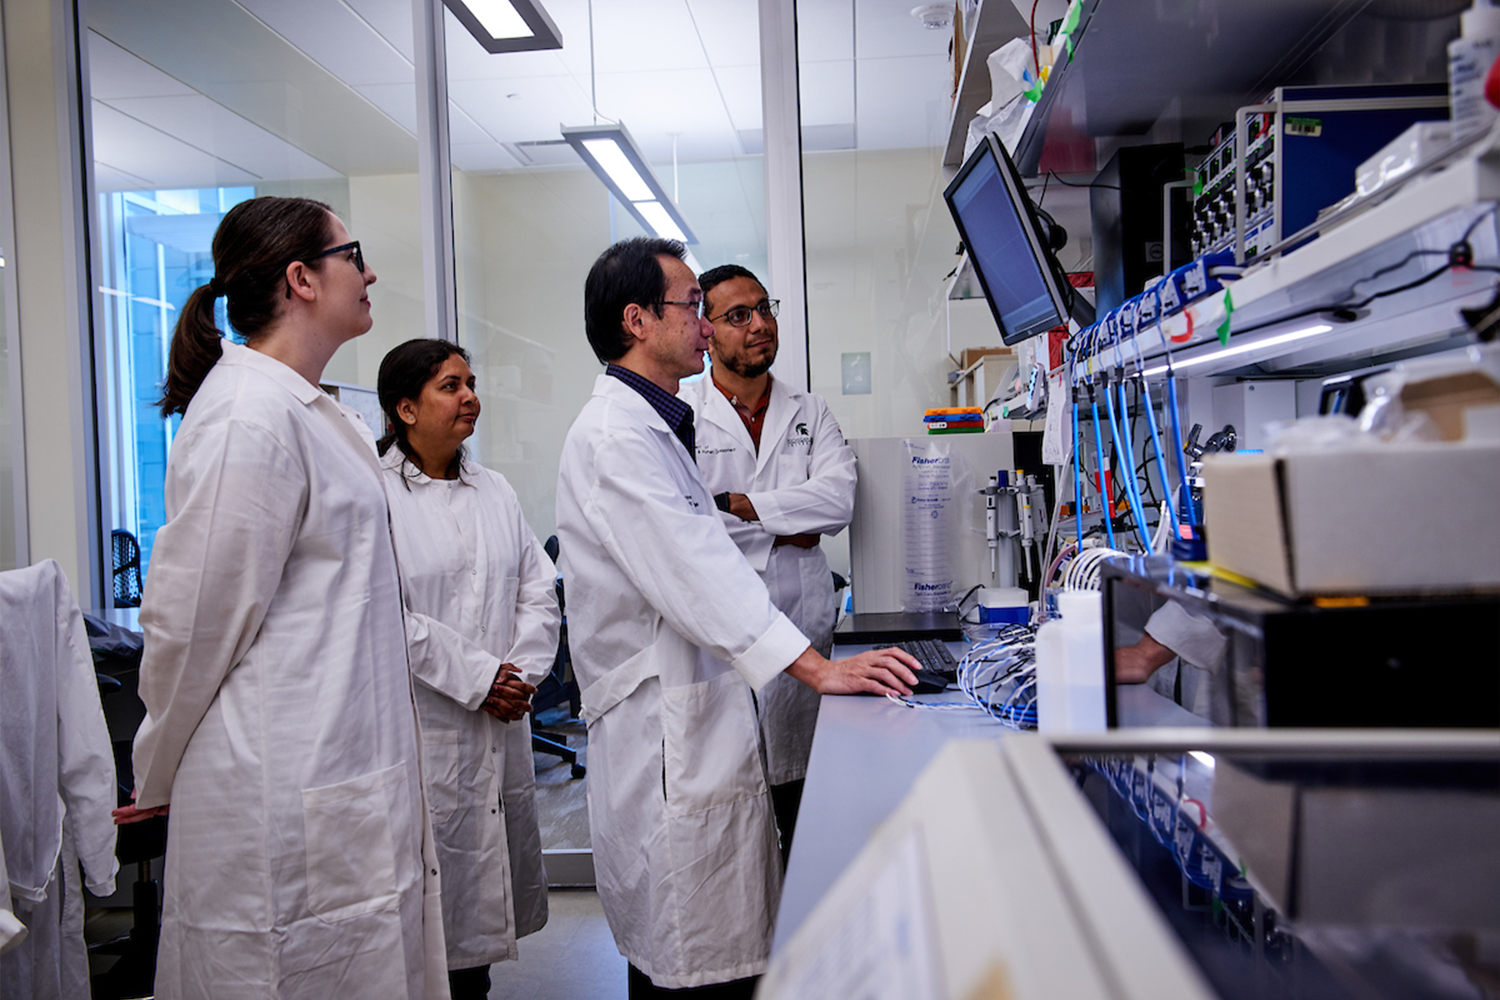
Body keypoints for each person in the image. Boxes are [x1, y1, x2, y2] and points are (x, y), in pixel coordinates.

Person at [555, 236, 921, 999]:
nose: (706, 323)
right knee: (687, 954)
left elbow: (789, 517)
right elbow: (698, 566)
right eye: (693, 306)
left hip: (708, 697)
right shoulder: (620, 437)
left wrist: (753, 520)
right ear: (637, 320)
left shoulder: (657, 427)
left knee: (707, 944)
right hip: (666, 719)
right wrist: (818, 667)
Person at [114, 196, 448, 999]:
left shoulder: (306, 408)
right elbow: (193, 626)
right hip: (275, 789)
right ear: (301, 278)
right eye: (352, 254)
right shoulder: (247, 419)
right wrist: (153, 773)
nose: (369, 273)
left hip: (337, 775)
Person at [375, 338, 561, 1000]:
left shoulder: (495, 489)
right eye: (450, 386)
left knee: (473, 935)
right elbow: (382, 612)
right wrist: (481, 679)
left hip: (499, 716)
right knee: (423, 916)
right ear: (404, 408)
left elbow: (538, 589)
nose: (470, 396)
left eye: (471, 382)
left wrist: (521, 675)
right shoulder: (376, 498)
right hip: (425, 726)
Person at [678, 264, 856, 861]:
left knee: (804, 808)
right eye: (738, 316)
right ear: (706, 332)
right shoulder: (682, 415)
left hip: (803, 619)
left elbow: (839, 500)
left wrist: (748, 507)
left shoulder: (811, 410)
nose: (760, 325)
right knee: (735, 815)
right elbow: (691, 524)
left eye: (765, 309)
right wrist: (786, 528)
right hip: (721, 633)